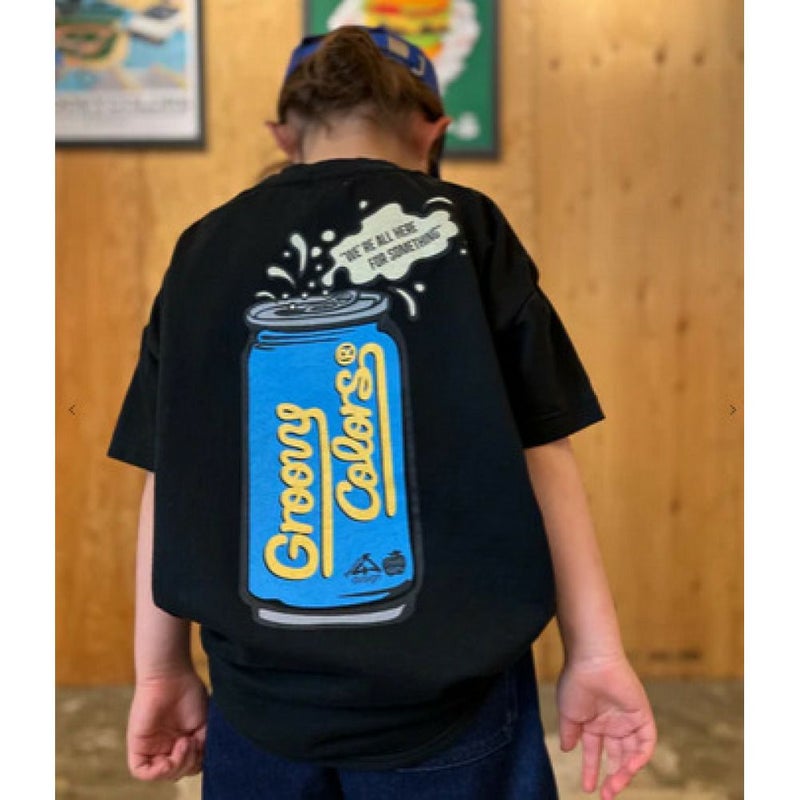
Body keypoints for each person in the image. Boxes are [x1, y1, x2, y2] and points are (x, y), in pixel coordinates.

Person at [109, 25, 657, 800]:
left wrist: (160, 670)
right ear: (433, 131)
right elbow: (543, 454)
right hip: (452, 699)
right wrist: (595, 654)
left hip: (257, 699)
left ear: (284, 134)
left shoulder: (203, 247)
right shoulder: (466, 227)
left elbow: (167, 476)